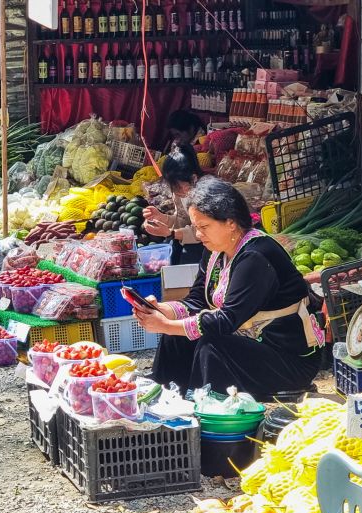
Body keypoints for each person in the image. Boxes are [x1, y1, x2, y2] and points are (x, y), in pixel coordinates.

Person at [133, 176, 323, 398]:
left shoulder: (256, 256)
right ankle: (165, 398)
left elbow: (226, 320)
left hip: (288, 358)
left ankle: (203, 408)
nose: (197, 234)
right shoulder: (215, 250)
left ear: (231, 222)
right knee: (176, 336)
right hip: (249, 342)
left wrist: (167, 325)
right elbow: (197, 300)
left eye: (204, 227)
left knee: (210, 345)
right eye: (195, 227)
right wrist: (164, 311)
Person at [142, 144, 205, 265]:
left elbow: (201, 231)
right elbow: (183, 220)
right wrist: (162, 218)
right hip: (194, 240)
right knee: (173, 246)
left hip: (208, 245)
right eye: (172, 186)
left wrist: (171, 233)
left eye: (178, 186)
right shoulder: (178, 194)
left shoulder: (204, 195)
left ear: (194, 178)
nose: (175, 191)